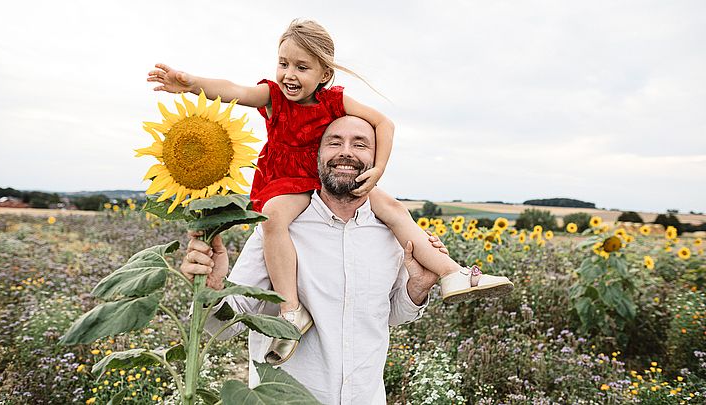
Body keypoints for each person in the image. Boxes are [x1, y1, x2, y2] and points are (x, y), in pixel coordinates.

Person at [151, 19, 513, 365]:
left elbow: (384, 123)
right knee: (273, 220)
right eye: (283, 64)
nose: (289, 74)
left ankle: (454, 274)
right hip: (288, 182)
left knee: (396, 209)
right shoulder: (274, 97)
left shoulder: (334, 102)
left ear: (324, 74)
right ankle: (291, 310)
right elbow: (235, 91)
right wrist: (191, 82)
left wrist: (378, 170)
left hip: (320, 182)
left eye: (302, 67)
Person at [181, 116, 513, 404]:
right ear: (317, 155)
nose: (346, 152)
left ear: (375, 159)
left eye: (360, 144)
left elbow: (386, 315)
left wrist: (417, 289)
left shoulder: (391, 232)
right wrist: (213, 291)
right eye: (335, 142)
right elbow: (225, 326)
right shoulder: (278, 229)